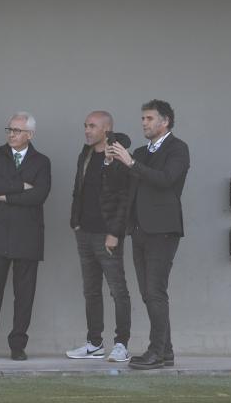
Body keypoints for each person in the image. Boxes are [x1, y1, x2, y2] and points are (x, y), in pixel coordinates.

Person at [108, 99, 190, 369]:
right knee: (148, 292)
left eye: (149, 118)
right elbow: (126, 187)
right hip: (140, 230)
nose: (144, 123)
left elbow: (165, 179)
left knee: (155, 291)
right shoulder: (141, 152)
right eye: (143, 118)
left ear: (165, 121)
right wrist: (112, 162)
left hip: (163, 230)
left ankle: (156, 351)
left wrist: (130, 162)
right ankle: (166, 351)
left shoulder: (178, 149)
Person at [0, 112, 51, 361]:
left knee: (24, 294)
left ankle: (18, 345)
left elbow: (39, 195)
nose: (11, 134)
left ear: (30, 134)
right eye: (9, 129)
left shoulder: (41, 161)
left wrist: (6, 195)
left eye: (17, 131)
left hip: (28, 235)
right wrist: (20, 187)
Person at [66, 111, 132, 362]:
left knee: (118, 290)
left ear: (106, 130)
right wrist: (76, 222)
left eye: (92, 126)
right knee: (91, 291)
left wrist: (115, 233)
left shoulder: (118, 155)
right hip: (84, 233)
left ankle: (121, 344)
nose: (87, 130)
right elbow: (78, 189)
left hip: (108, 236)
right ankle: (94, 343)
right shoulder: (85, 154)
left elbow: (125, 198)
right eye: (85, 125)